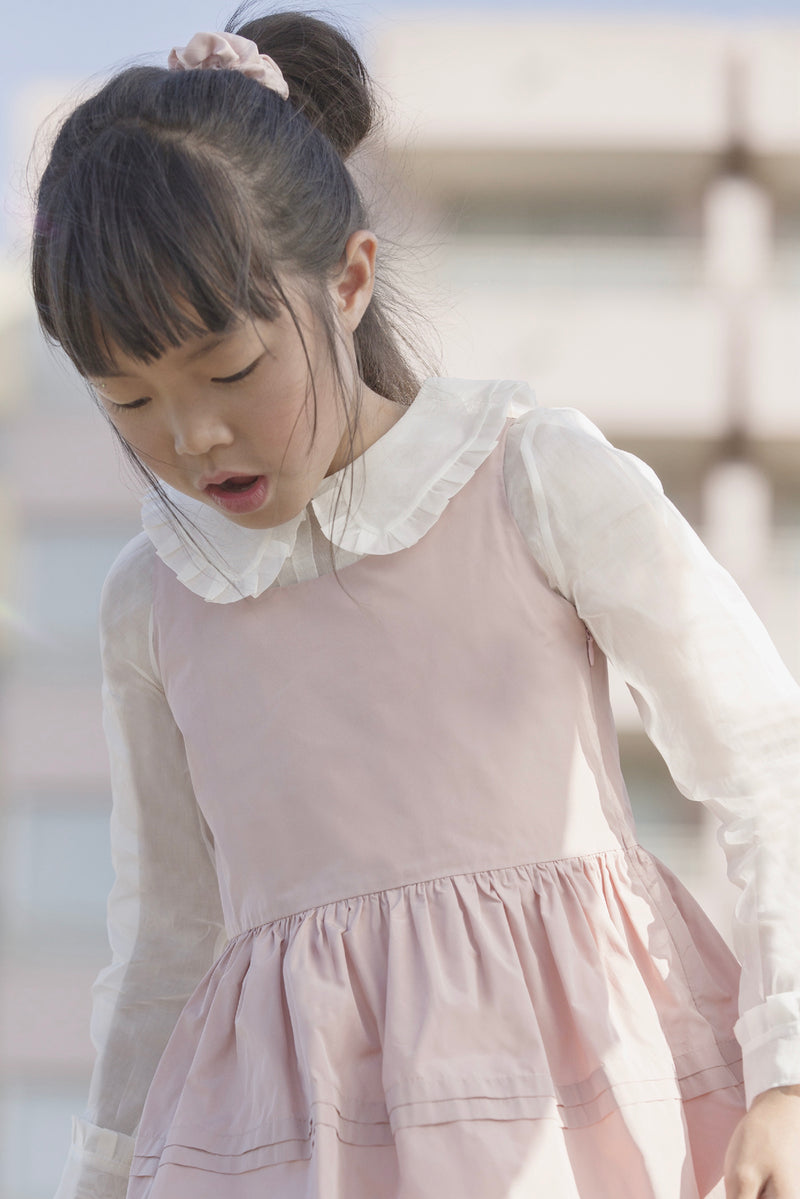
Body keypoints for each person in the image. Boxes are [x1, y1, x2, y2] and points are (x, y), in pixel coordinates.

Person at [31, 9, 800, 1199]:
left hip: (571, 1099)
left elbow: (761, 756)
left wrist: (785, 1074)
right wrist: (101, 1172)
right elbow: (165, 942)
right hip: (294, 1139)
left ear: (347, 280)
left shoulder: (526, 476)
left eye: (231, 372)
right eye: (127, 398)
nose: (191, 437)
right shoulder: (157, 599)